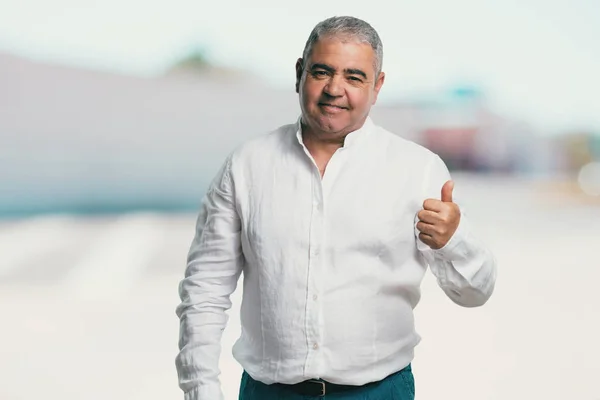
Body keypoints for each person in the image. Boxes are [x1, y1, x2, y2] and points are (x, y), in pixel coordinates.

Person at [175, 15, 497, 400]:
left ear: (377, 86)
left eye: (354, 77)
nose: (334, 89)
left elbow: (475, 293)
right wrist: (200, 391)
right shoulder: (247, 165)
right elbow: (205, 290)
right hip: (266, 393)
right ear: (300, 73)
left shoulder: (419, 170)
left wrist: (452, 241)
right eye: (322, 71)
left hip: (380, 392)